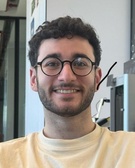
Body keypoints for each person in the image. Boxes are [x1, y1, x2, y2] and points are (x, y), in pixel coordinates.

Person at [0, 16, 135, 168]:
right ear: (33, 79)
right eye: (51, 64)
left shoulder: (130, 151)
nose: (67, 76)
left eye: (80, 63)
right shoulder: (5, 159)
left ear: (97, 78)